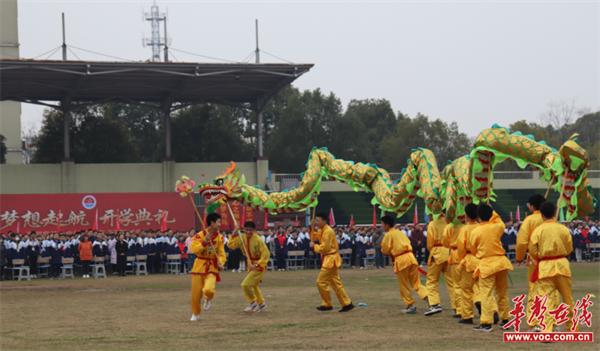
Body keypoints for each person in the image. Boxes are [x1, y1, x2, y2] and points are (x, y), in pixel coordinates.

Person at [528, 201, 575, 333]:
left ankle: (546, 330)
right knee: (568, 299)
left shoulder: (538, 230)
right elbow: (569, 248)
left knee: (545, 300)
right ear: (555, 213)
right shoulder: (563, 229)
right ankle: (572, 328)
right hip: (562, 265)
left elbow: (532, 250)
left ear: (541, 215)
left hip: (545, 267)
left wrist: (539, 257)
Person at [471, 204, 513, 332]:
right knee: (502, 292)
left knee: (486, 294)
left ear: (478, 216)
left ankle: (486, 323)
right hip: (501, 263)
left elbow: (473, 249)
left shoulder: (476, 231)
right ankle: (505, 319)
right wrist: (491, 211)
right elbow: (499, 219)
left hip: (487, 264)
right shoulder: (497, 227)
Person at [380, 215, 428, 314]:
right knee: (416, 283)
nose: (382, 226)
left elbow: (384, 250)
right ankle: (431, 300)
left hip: (401, 260)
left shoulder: (388, 235)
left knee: (404, 285)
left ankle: (410, 305)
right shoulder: (400, 232)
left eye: (382, 224)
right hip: (411, 257)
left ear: (387, 225)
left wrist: (389, 251)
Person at [310, 212, 354, 312]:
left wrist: (314, 247)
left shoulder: (328, 231)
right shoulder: (323, 230)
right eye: (315, 220)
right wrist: (311, 229)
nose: (316, 222)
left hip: (330, 258)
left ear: (324, 220)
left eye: (318, 220)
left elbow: (324, 248)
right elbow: (316, 237)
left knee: (320, 282)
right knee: (335, 282)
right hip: (330, 258)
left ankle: (327, 303)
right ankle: (346, 303)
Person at [515, 194, 545, 331]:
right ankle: (552, 321)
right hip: (552, 260)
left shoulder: (530, 220)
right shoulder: (551, 219)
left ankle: (537, 321)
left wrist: (519, 257)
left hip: (535, 260)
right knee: (551, 290)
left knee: (534, 289)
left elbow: (522, 241)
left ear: (532, 206)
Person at [188, 213, 226, 321]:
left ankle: (208, 298)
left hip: (212, 267)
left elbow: (222, 253)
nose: (220, 224)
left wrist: (221, 262)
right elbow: (194, 249)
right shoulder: (199, 235)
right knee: (196, 294)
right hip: (199, 266)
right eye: (218, 222)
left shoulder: (220, 238)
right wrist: (204, 242)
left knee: (209, 289)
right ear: (212, 223)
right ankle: (195, 313)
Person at [227, 221, 270, 313]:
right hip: (250, 264)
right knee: (254, 285)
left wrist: (258, 264)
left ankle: (253, 303)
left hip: (258, 265)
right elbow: (231, 245)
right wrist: (234, 232)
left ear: (254, 230)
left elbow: (266, 254)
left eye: (250, 230)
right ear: (243, 229)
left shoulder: (258, 239)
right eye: (246, 230)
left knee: (245, 284)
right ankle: (261, 304)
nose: (248, 232)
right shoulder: (242, 238)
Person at [456, 204, 479, 324]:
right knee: (483, 287)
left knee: (466, 289)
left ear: (466, 215)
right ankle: (491, 310)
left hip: (469, 259)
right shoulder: (481, 227)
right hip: (481, 259)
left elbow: (461, 247)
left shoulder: (464, 229)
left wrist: (462, 259)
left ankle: (467, 316)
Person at [424, 212, 451, 316]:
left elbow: (429, 243)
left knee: (431, 280)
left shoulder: (432, 224)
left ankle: (434, 304)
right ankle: (458, 307)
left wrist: (432, 250)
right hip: (449, 252)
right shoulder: (448, 221)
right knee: (452, 281)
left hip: (437, 253)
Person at [442, 218, 463, 318]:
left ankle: (459, 310)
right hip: (470, 255)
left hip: (456, 256)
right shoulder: (467, 225)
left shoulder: (450, 226)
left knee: (457, 284)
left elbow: (445, 242)